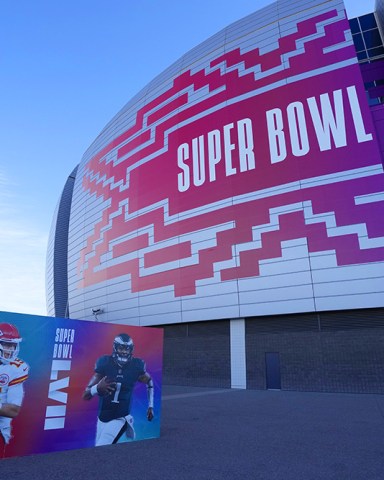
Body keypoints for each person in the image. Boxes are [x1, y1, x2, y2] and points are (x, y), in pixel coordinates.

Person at [82, 333, 154, 446]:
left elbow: (149, 381)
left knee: (101, 445)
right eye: (121, 348)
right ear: (115, 347)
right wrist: (97, 388)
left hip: (120, 417)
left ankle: (126, 422)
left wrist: (151, 406)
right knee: (98, 446)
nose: (125, 352)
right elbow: (86, 395)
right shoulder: (105, 363)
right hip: (102, 418)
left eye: (127, 349)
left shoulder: (136, 366)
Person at [0, 323, 29, 458]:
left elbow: (13, 410)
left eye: (13, 345)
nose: (10, 349)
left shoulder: (16, 368)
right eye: (6, 344)